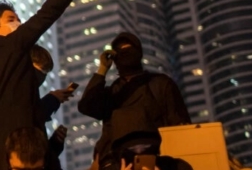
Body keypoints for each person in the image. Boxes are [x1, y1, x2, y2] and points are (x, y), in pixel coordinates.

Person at [0, 0, 104, 170]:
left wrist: (51, 99)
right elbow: (46, 14)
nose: (20, 23)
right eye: (11, 19)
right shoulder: (10, 45)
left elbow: (14, 106)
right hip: (19, 157)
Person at [78, 32, 191, 170]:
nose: (125, 53)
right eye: (120, 51)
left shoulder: (160, 84)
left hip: (155, 160)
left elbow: (180, 126)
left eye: (129, 49)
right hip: (114, 163)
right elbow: (86, 106)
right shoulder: (112, 92)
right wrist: (102, 69)